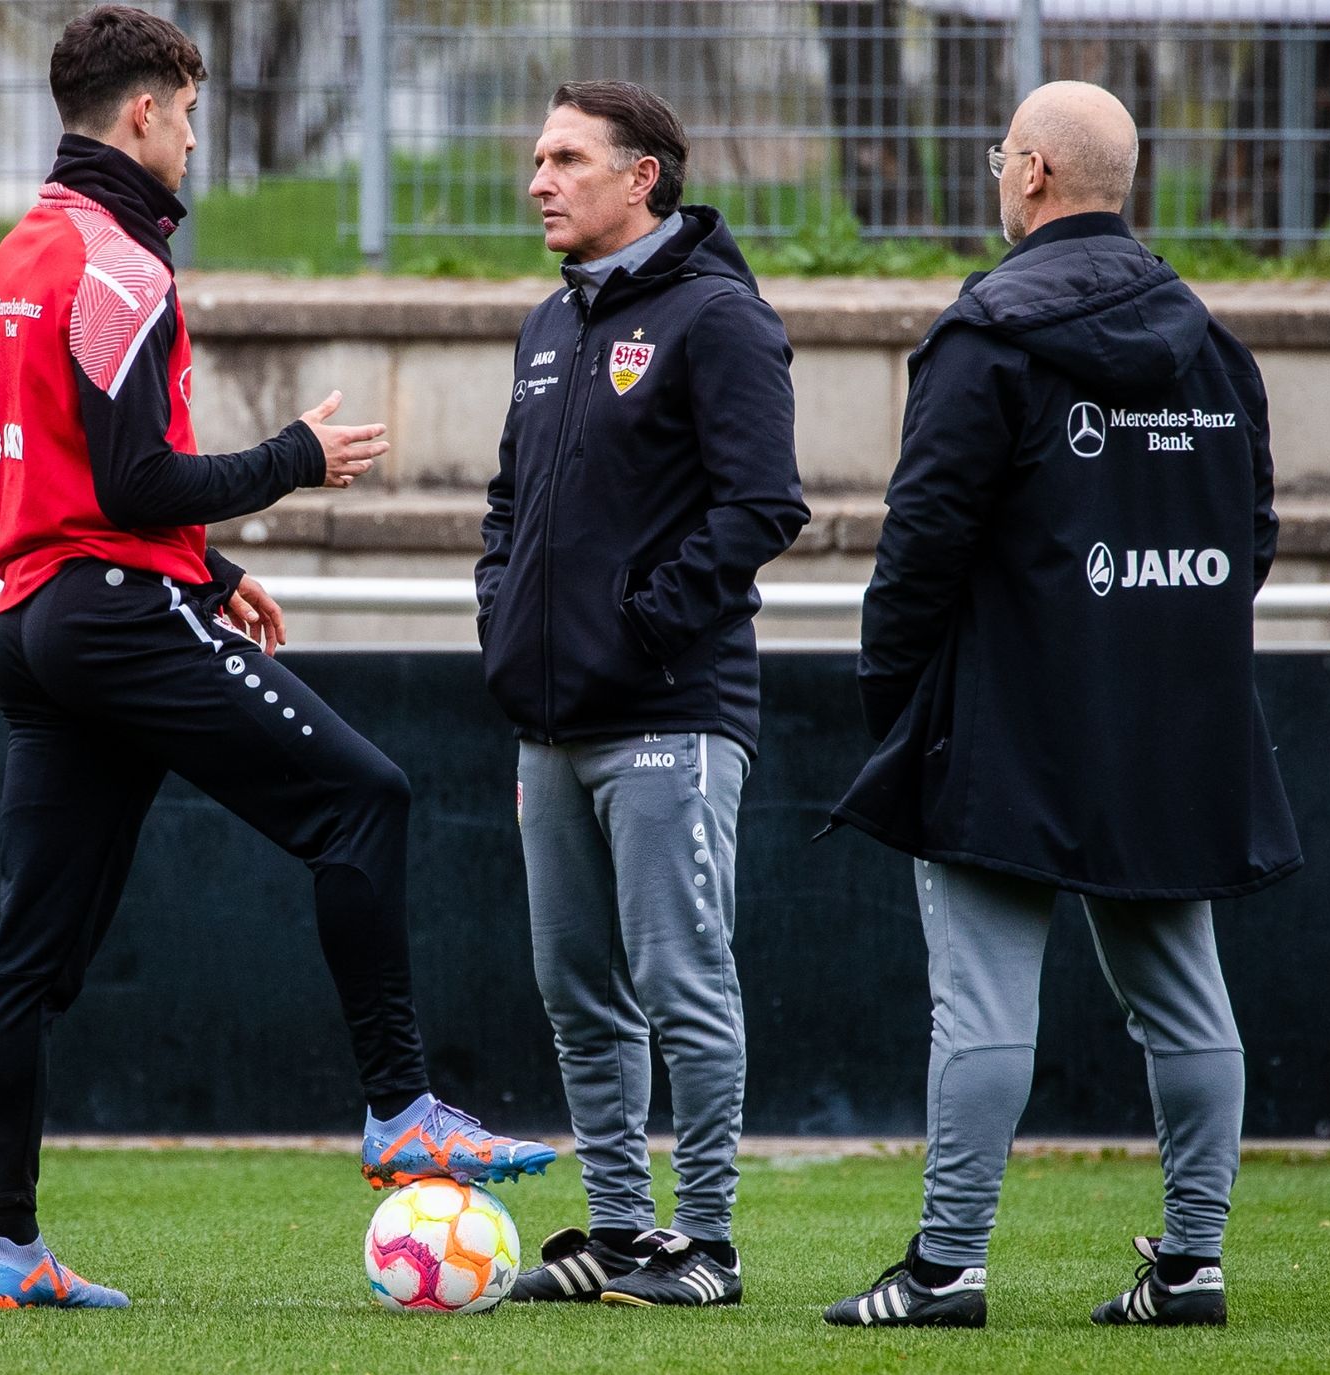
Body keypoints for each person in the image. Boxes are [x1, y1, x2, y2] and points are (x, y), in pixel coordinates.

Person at [0, 4, 553, 1311]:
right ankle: (401, 1111)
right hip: (113, 609)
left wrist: (211, 572)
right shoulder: (120, 263)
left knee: (27, 964)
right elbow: (136, 477)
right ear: (140, 114)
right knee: (367, 797)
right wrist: (292, 457)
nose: (190, 138)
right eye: (186, 114)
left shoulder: (17, 256)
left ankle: (9, 1250)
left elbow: (31, 476)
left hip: (41, 619)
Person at [822, 81, 1300, 1331]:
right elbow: (1248, 538)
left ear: (1030, 173)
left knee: (980, 1002)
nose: (996, 174)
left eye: (999, 158)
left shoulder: (983, 335)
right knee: (1184, 995)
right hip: (1173, 719)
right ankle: (1190, 1266)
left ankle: (944, 1270)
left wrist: (897, 701)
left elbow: (916, 549)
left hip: (1007, 721)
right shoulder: (1210, 340)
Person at [477, 80, 807, 1309]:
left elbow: (762, 506)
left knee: (682, 980)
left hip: (670, 714)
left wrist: (633, 628)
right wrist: (501, 623)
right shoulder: (547, 327)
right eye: (536, 159)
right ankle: (618, 1231)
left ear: (640, 177)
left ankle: (706, 1245)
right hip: (546, 721)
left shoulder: (717, 319)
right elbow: (507, 507)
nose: (538, 181)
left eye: (564, 158)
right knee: (573, 984)